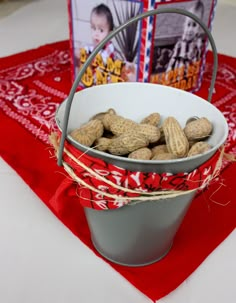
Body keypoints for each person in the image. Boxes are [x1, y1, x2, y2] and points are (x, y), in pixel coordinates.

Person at [166, 0, 205, 76]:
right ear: (184, 26)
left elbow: (198, 59)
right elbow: (173, 58)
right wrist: (169, 69)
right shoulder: (180, 43)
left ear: (199, 27)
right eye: (188, 25)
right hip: (179, 74)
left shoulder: (198, 43)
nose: (190, 29)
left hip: (191, 74)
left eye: (194, 25)